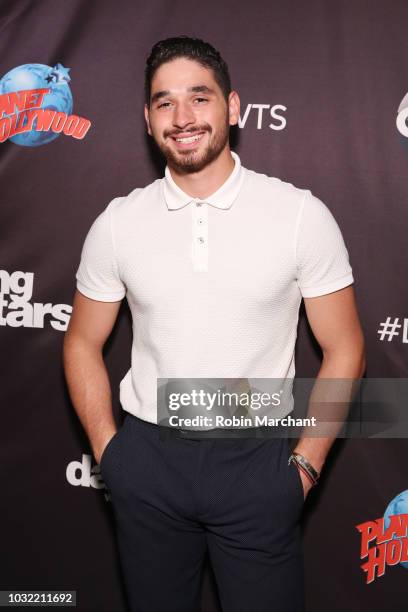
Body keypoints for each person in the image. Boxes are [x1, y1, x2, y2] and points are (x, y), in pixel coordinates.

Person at [63, 36, 365, 612]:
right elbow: (81, 340)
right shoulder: (118, 223)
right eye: (164, 103)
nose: (182, 118)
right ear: (148, 120)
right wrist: (111, 454)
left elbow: (346, 347)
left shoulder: (300, 214)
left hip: (258, 461)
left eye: (199, 98)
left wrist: (303, 466)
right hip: (148, 460)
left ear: (232, 107)